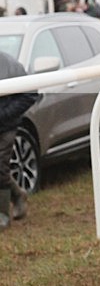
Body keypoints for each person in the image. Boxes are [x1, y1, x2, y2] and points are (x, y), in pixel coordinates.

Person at [0, 51, 40, 230]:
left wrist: (4, 115)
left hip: (5, 126)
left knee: (0, 166)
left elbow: (30, 93)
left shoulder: (9, 64)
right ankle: (18, 194)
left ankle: (3, 215)